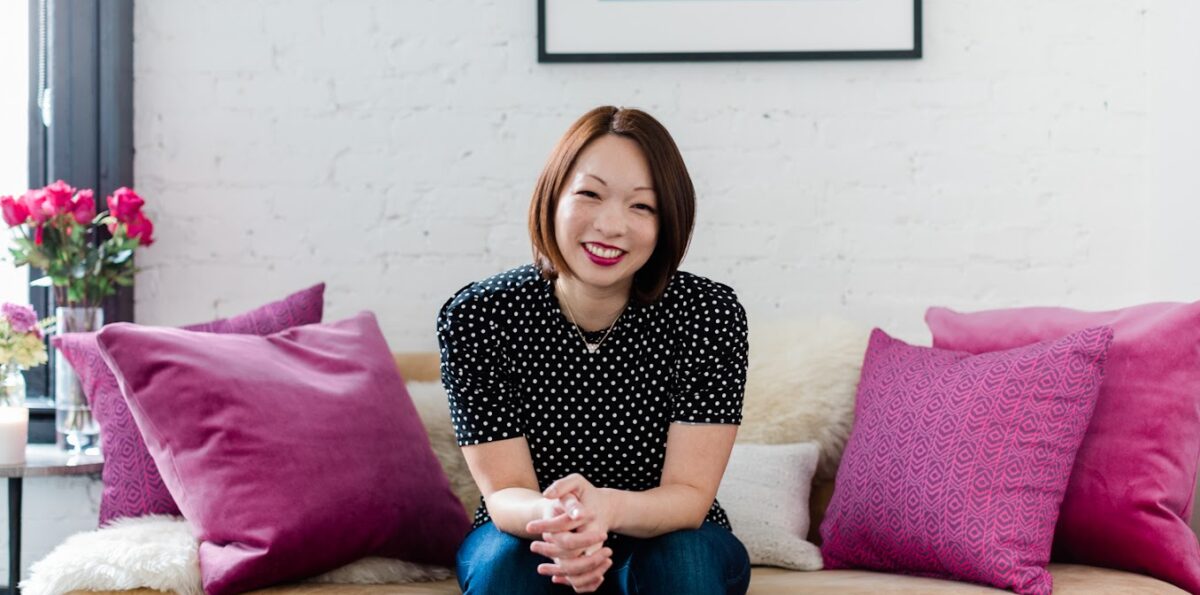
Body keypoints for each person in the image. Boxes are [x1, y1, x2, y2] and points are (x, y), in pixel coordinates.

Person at [436, 106, 751, 595]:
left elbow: (689, 496)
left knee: (683, 564)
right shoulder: (479, 316)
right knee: (507, 568)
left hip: (666, 531)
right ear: (553, 197)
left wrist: (608, 509)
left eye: (641, 207)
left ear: (667, 222)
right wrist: (560, 521)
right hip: (533, 530)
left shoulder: (707, 313)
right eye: (589, 194)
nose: (611, 225)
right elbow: (505, 493)